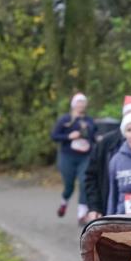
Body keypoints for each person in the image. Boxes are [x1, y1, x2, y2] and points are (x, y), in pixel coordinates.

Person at [51, 93, 97, 222]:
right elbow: (54, 136)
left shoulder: (89, 120)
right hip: (68, 157)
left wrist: (98, 140)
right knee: (69, 186)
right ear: (73, 105)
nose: (81, 105)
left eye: (83, 102)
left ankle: (81, 214)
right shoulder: (65, 119)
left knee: (84, 182)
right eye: (78, 102)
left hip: (85, 157)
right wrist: (68, 136)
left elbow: (94, 137)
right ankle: (64, 202)